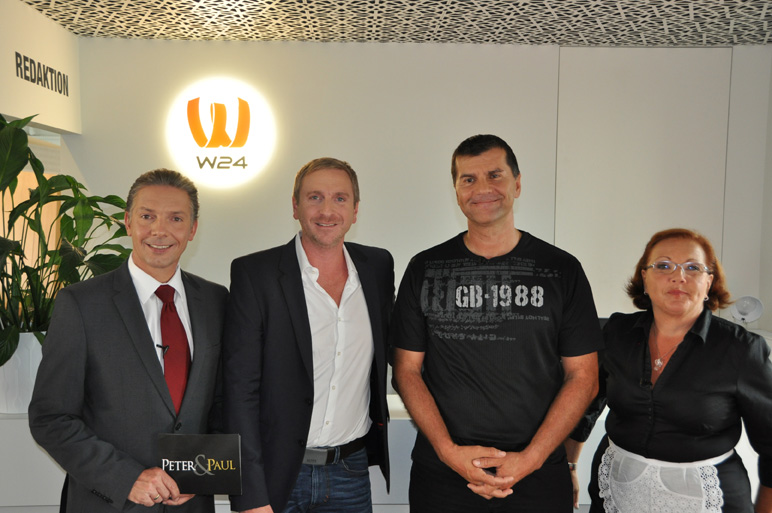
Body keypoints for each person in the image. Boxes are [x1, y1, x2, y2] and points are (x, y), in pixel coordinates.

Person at [391, 134, 602, 513]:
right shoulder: (425, 268)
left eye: (494, 175)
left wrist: (530, 459)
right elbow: (406, 370)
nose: (482, 189)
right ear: (456, 192)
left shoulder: (562, 270)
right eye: (468, 179)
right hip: (444, 475)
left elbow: (584, 377)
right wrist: (448, 452)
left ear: (517, 184)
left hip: (537, 475)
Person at [28, 169, 228, 512]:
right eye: (147, 216)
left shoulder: (216, 301)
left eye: (176, 218)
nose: (160, 230)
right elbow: (51, 417)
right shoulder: (81, 304)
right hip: (108, 504)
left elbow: (224, 404)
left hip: (191, 504)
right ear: (127, 222)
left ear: (193, 229)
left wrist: (202, 473)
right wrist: (126, 478)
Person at [222, 157, 393, 513]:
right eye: (315, 197)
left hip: (350, 471)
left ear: (355, 210)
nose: (327, 210)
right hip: (277, 474)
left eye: (340, 198)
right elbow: (239, 391)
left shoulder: (377, 268)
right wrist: (250, 494)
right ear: (295, 207)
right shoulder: (256, 274)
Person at [568, 228, 772, 513]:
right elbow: (587, 403)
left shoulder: (741, 349)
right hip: (618, 488)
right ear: (644, 278)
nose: (679, 276)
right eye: (663, 266)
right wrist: (570, 465)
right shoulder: (617, 332)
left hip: (707, 497)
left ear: (709, 282)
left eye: (693, 268)